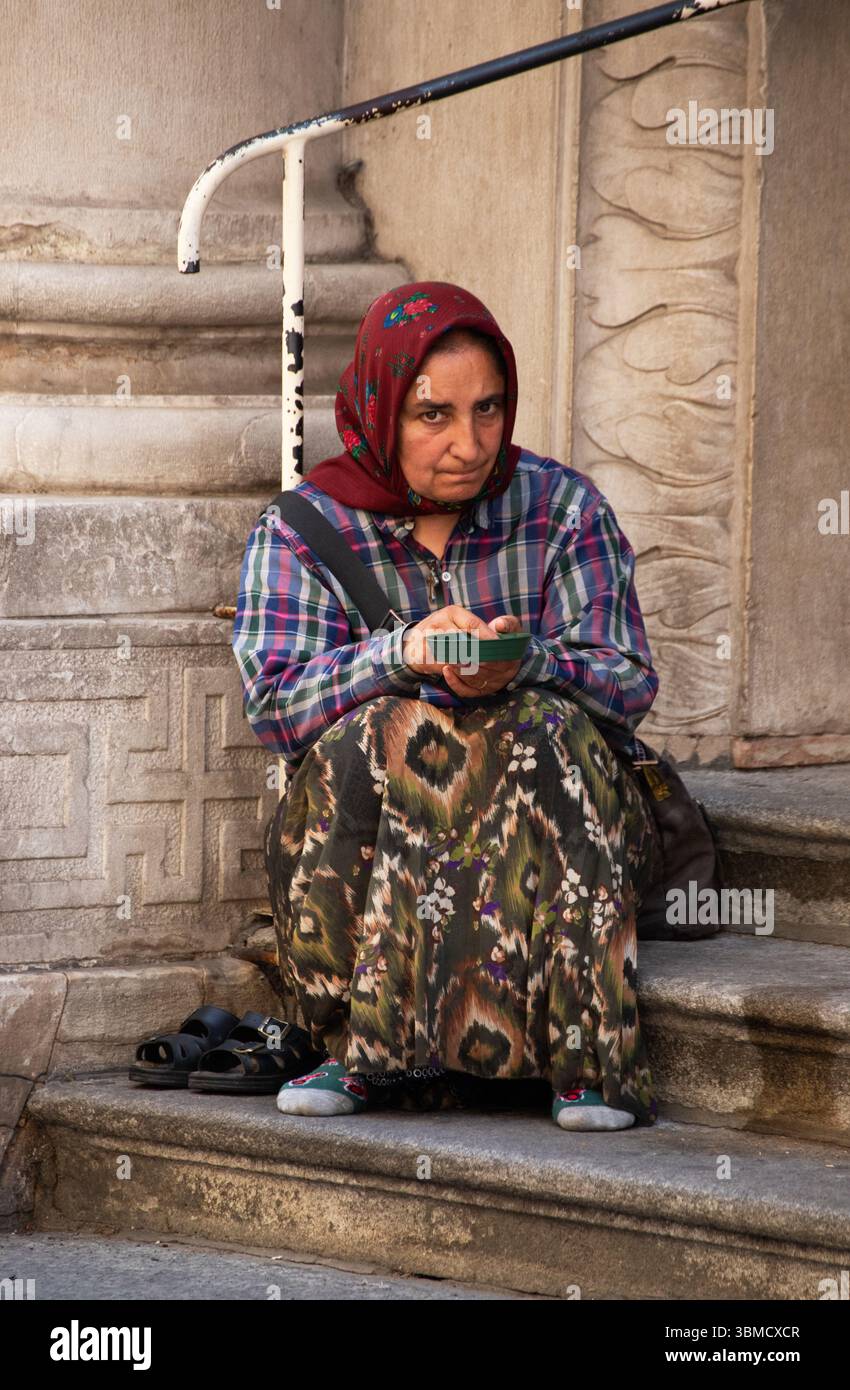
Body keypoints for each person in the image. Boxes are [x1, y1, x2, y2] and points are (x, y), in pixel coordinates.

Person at [231, 281, 663, 1132]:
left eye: (489, 409)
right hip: (380, 817)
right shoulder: (303, 531)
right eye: (434, 415)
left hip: (551, 815)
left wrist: (526, 662)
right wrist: (402, 654)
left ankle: (589, 1064)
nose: (470, 444)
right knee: (378, 734)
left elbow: (627, 683)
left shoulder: (563, 509)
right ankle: (357, 1049)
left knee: (542, 726)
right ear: (381, 411)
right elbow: (276, 704)